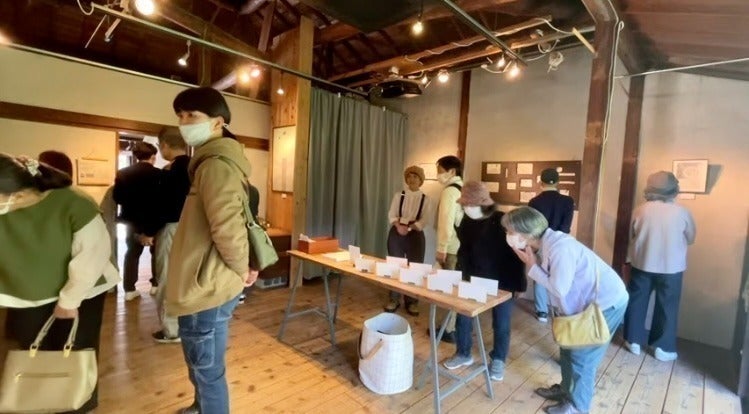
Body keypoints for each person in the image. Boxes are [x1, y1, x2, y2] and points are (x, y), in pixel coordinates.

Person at [0, 153, 120, 414]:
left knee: (74, 349)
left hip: (81, 291)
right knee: (33, 349)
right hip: (24, 292)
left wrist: (70, 300)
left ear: (17, 194)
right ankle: (36, 401)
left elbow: (94, 253)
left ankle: (76, 403)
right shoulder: (6, 205)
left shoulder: (74, 202)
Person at [166, 87, 257, 414]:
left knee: (207, 368)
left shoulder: (215, 165)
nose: (184, 122)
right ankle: (200, 406)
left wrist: (242, 268)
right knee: (203, 361)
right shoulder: (211, 162)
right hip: (210, 278)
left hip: (206, 284)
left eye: (192, 115)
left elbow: (228, 227)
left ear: (218, 122)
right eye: (180, 115)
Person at [504, 206, 628, 414]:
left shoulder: (560, 248)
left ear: (526, 234)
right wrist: (532, 262)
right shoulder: (546, 244)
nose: (507, 235)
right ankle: (566, 390)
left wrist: (532, 266)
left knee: (583, 357)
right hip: (583, 304)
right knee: (567, 347)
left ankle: (578, 407)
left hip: (605, 303)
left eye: (510, 231)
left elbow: (559, 288)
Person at [442, 182, 525, 382]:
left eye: (467, 204)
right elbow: (464, 250)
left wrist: (519, 284)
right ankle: (463, 352)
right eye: (463, 205)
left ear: (480, 203)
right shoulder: (467, 221)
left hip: (503, 280)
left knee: (501, 322)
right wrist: (462, 275)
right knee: (463, 316)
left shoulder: (502, 221)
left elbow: (515, 255)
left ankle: (498, 359)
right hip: (474, 276)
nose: (464, 208)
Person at [623, 171, 696, 361]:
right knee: (667, 306)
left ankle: (633, 341)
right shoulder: (682, 212)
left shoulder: (640, 210)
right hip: (672, 268)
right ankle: (662, 348)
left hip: (642, 263)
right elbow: (691, 238)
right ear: (674, 189)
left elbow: (631, 236)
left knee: (637, 302)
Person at [151, 127, 190, 344]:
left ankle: (171, 330)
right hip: (193, 230)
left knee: (167, 278)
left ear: (165, 145)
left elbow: (163, 206)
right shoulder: (196, 166)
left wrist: (149, 231)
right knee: (187, 278)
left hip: (172, 228)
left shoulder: (171, 171)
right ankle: (187, 323)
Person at [113, 141, 162, 301]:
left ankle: (129, 289)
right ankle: (155, 285)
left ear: (135, 156)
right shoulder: (159, 174)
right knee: (156, 253)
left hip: (131, 221)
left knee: (132, 253)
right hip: (154, 219)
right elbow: (163, 200)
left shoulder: (123, 173)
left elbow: (117, 197)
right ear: (153, 156)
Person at [384, 165, 433, 316]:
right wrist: (398, 226)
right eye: (409, 176)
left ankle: (411, 301)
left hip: (415, 234)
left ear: (421, 180)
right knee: (395, 265)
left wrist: (410, 228)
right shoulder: (399, 195)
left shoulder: (426, 199)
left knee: (415, 267)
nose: (412, 179)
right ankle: (394, 299)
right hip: (397, 231)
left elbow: (424, 219)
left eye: (415, 177)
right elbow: (392, 214)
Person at [528, 168, 575, 323]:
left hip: (541, 243)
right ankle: (561, 309)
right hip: (560, 244)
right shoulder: (568, 201)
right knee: (561, 276)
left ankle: (542, 312)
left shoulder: (534, 202)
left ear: (541, 182)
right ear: (558, 182)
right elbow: (566, 227)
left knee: (539, 275)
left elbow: (532, 227)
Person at [432, 155, 464, 343]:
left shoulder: (450, 191)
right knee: (456, 287)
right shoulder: (463, 188)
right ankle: (453, 326)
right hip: (461, 246)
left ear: (451, 171)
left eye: (440, 171)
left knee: (448, 289)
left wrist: (441, 247)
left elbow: (446, 221)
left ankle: (447, 329)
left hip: (451, 247)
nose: (438, 175)